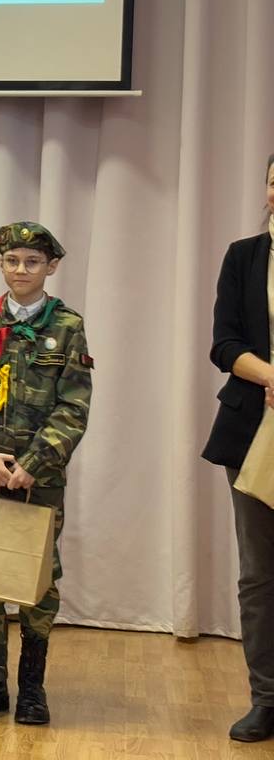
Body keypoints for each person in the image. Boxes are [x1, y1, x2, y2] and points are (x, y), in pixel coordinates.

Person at [0, 221, 92, 725]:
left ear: (51, 266)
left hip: (39, 480)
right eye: (12, 260)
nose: (20, 269)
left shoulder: (66, 325)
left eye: (32, 261)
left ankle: (32, 687)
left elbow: (73, 407)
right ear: (1, 264)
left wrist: (34, 462)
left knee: (39, 578)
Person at [204, 155, 274, 743]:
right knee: (259, 575)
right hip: (253, 432)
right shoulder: (244, 255)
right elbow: (224, 344)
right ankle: (267, 699)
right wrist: (271, 376)